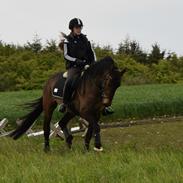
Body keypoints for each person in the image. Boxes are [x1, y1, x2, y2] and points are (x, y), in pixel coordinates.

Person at [59, 18, 114, 115]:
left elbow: (91, 52)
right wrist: (77, 61)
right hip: (74, 66)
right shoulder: (68, 40)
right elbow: (66, 55)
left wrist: (94, 63)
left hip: (87, 65)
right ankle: (65, 103)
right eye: (77, 28)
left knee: (100, 81)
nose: (79, 29)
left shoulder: (85, 39)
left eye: (80, 27)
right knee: (70, 80)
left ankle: (103, 106)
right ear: (72, 28)